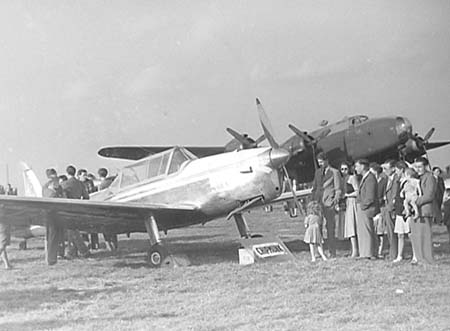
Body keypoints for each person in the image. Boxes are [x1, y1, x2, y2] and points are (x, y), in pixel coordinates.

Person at [311, 152, 341, 258]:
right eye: (318, 162)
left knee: (330, 228)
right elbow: (315, 187)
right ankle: (319, 251)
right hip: (318, 203)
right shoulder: (318, 172)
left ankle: (332, 251)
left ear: (326, 160)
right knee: (317, 227)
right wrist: (312, 202)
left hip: (329, 203)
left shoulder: (335, 172)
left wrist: (334, 201)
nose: (320, 164)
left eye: (321, 162)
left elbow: (338, 189)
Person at [410, 157, 436, 265]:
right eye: (416, 167)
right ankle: (420, 258)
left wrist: (416, 201)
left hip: (424, 210)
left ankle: (427, 259)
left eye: (420, 167)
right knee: (416, 235)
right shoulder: (417, 178)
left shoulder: (430, 177)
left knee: (425, 236)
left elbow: (429, 195)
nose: (418, 169)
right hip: (416, 211)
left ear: (425, 166)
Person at [61, 165, 90, 258]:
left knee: (72, 231)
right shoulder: (80, 184)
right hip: (78, 209)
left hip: (68, 209)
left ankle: (80, 251)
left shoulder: (64, 184)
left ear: (67, 173)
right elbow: (86, 197)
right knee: (73, 231)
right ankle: (73, 252)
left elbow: (62, 197)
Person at [354, 159, 379, 259]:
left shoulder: (370, 178)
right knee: (363, 231)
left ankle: (368, 253)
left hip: (366, 209)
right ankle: (364, 253)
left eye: (357, 166)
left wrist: (363, 206)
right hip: (363, 208)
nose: (356, 169)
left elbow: (370, 196)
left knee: (367, 231)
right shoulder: (365, 177)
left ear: (363, 166)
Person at [42, 168, 67, 264]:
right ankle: (51, 259)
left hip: (55, 212)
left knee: (57, 235)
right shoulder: (49, 186)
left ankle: (58, 254)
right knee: (52, 236)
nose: (55, 177)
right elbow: (51, 197)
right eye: (53, 175)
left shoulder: (53, 186)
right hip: (52, 213)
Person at [393, 163, 413, 262]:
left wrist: (407, 208)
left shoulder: (407, 182)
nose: (396, 172)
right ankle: (399, 255)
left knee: (410, 234)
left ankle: (415, 255)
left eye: (397, 170)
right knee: (400, 234)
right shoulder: (398, 181)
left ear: (401, 169)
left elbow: (409, 196)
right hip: (399, 211)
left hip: (406, 211)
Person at [382, 160, 400, 261]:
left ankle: (394, 253)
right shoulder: (388, 179)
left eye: (386, 169)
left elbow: (394, 194)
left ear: (393, 168)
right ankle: (392, 252)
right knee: (389, 232)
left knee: (392, 231)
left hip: (391, 208)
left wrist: (390, 207)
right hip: (387, 207)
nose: (384, 171)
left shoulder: (395, 179)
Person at [370, 163, 387, 258]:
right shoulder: (371, 182)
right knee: (374, 230)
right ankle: (374, 250)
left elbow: (384, 195)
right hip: (373, 208)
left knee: (380, 231)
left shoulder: (383, 181)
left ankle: (380, 250)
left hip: (381, 208)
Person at [342, 163, 359, 257]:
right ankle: (353, 249)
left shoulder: (352, 178)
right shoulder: (343, 179)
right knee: (349, 227)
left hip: (353, 202)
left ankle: (355, 251)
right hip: (347, 203)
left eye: (345, 169)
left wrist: (348, 195)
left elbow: (357, 191)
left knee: (353, 226)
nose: (344, 171)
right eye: (342, 169)